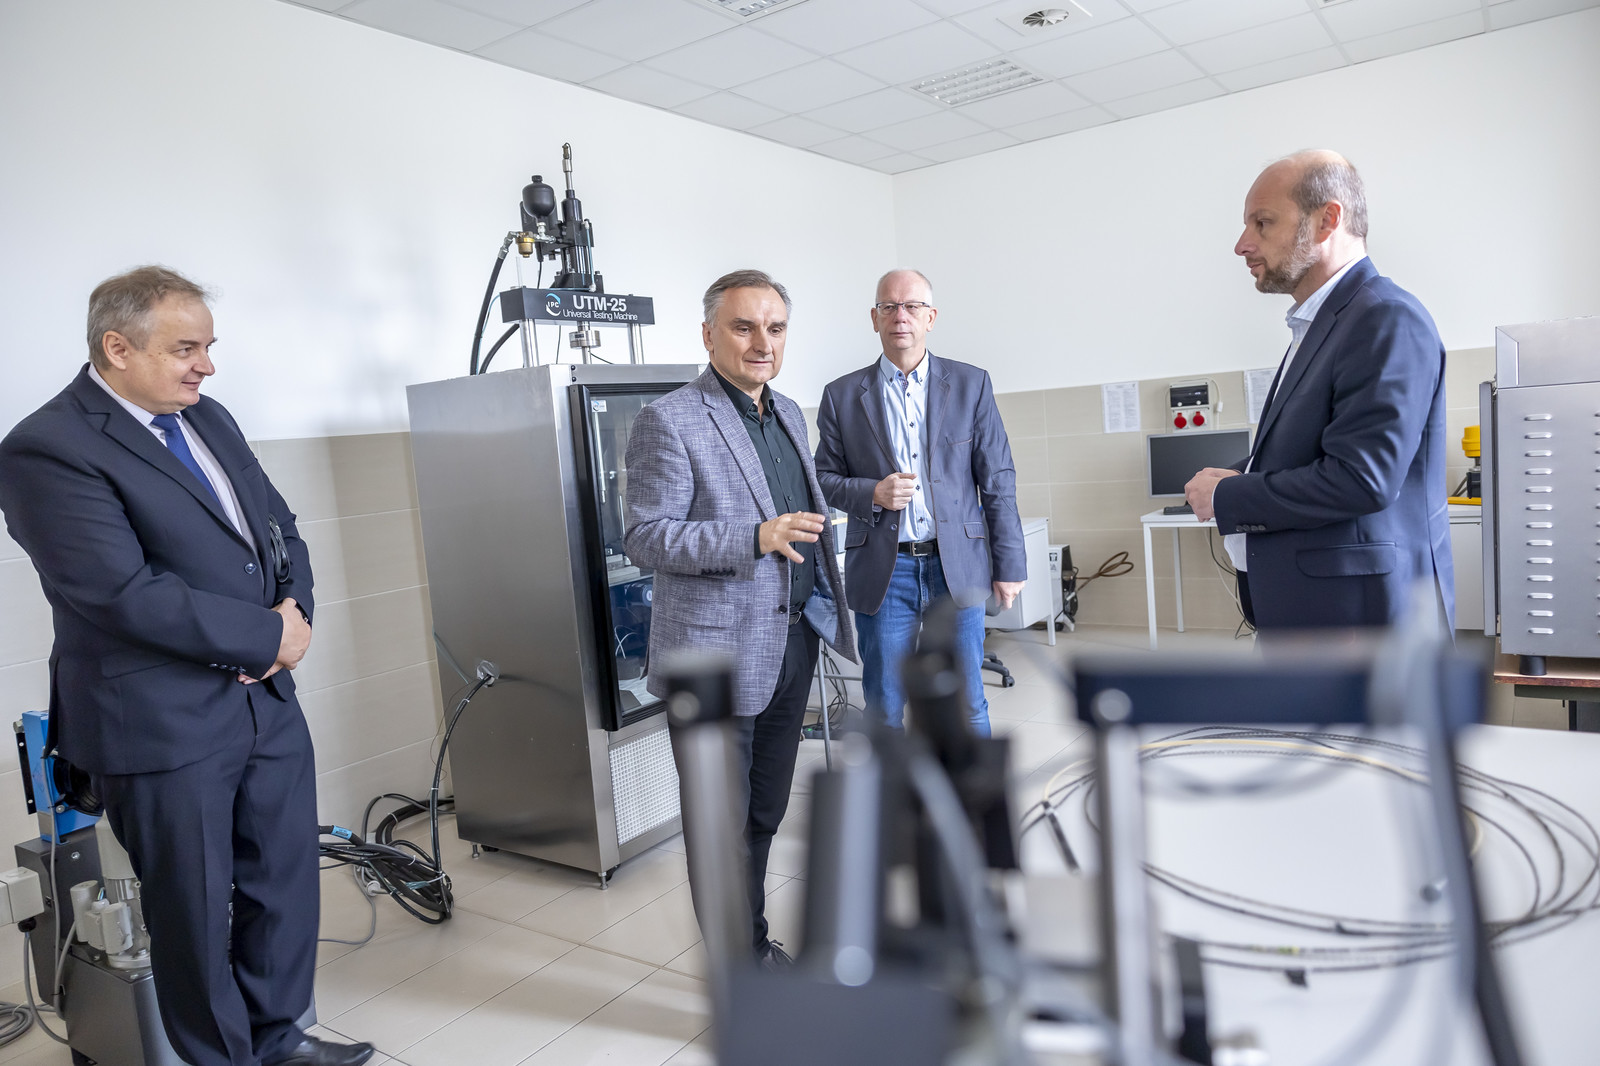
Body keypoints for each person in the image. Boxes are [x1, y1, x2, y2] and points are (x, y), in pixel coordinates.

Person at [0, 267, 372, 1066]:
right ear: (117, 347)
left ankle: (279, 1040)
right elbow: (119, 593)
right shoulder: (46, 448)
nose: (206, 365)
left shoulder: (209, 417)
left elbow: (280, 528)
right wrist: (262, 637)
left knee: (283, 883)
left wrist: (294, 617)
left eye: (208, 346)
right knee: (195, 914)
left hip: (264, 701)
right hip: (160, 722)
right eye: (185, 349)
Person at [623, 269, 855, 971]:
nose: (762, 343)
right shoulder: (670, 419)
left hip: (789, 643)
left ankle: (750, 948)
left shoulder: (788, 414)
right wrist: (754, 536)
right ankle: (738, 978)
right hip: (713, 661)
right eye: (744, 327)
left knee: (763, 814)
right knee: (720, 829)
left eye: (775, 329)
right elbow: (646, 537)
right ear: (708, 334)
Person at [1185, 150, 1453, 629]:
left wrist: (1229, 495)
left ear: (1327, 220)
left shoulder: (1385, 317)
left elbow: (1362, 478)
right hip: (1319, 613)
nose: (1242, 245)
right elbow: (1313, 449)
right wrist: (1239, 472)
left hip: (1363, 622)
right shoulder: (1322, 324)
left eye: (1262, 222)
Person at [814, 269, 1025, 737]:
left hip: (957, 568)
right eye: (888, 307)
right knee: (885, 704)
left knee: (966, 701)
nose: (900, 316)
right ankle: (892, 788)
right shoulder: (842, 395)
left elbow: (997, 479)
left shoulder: (971, 384)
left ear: (931, 317)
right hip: (885, 573)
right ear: (874, 318)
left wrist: (1009, 565)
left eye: (912, 306)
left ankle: (972, 786)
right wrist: (872, 492)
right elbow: (822, 479)